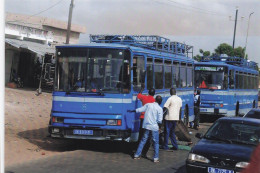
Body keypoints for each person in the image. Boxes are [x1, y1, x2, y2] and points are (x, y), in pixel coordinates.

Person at [128, 95, 163, 163]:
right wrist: (159, 128)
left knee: (143, 140)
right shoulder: (159, 109)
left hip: (146, 126)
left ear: (155, 100)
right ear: (160, 102)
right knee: (156, 142)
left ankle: (137, 155)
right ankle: (155, 158)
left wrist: (133, 111)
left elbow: (140, 109)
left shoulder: (148, 105)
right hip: (154, 127)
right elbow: (160, 120)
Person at [136, 86, 155, 158]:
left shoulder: (144, 97)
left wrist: (141, 90)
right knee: (148, 137)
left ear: (148, 92)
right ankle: (144, 153)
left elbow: (138, 96)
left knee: (141, 135)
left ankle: (138, 151)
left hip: (142, 118)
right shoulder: (154, 101)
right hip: (149, 120)